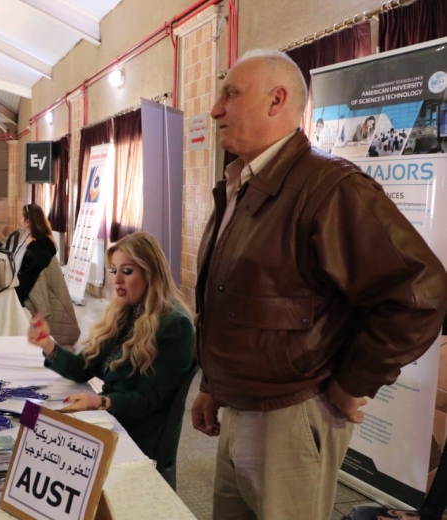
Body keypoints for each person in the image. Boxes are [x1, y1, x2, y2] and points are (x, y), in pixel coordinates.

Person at [191, 49, 447, 520]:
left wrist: (355, 382)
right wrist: (213, 383)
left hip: (291, 417)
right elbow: (231, 300)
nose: (215, 109)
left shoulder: (330, 188)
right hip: (238, 408)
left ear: (277, 101)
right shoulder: (241, 184)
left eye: (231, 94)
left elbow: (419, 293)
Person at [27, 231, 196, 484]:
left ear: (150, 273)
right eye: (113, 270)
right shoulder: (125, 312)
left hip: (137, 434)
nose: (116, 280)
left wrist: (99, 402)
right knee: (29, 423)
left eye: (126, 271)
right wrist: (48, 345)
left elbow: (147, 401)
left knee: (42, 439)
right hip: (109, 418)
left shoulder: (175, 325)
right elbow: (85, 368)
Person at [12, 203, 80, 347]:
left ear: (28, 222)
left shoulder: (44, 241)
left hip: (36, 291)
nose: (20, 221)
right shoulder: (27, 237)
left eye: (22, 218)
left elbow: (41, 260)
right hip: (26, 287)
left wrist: (31, 245)